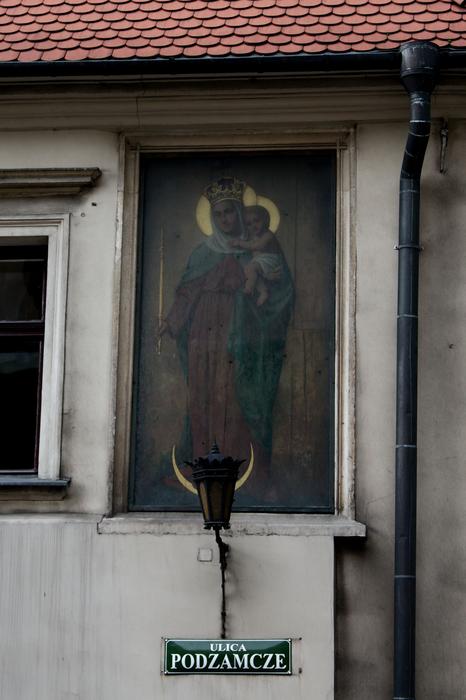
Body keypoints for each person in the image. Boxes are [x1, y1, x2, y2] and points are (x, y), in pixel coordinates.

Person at [158, 177, 294, 500]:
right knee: (206, 397)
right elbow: (187, 292)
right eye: (218, 215)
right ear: (211, 218)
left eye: (230, 212)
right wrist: (172, 322)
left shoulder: (257, 247)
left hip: (241, 335)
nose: (225, 220)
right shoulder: (201, 253)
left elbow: (281, 289)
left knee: (237, 397)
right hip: (204, 337)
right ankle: (204, 467)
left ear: (239, 212)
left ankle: (248, 472)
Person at [230, 204, 284, 306]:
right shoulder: (254, 237)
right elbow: (250, 245)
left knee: (251, 269)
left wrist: (240, 243)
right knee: (250, 271)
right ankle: (263, 291)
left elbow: (256, 246)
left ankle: (248, 289)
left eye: (256, 221)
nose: (254, 225)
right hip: (260, 261)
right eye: (249, 224)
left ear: (265, 220)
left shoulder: (267, 235)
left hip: (270, 260)